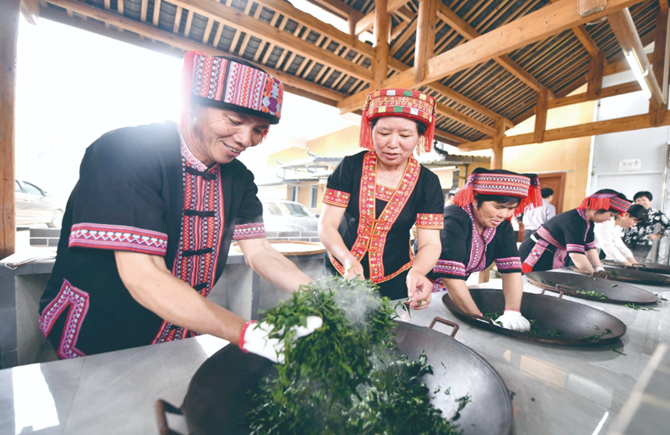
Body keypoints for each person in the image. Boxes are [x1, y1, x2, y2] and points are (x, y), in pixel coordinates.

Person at [38, 52, 322, 361]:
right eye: (235, 120)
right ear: (194, 106)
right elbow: (143, 274)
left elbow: (260, 251)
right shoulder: (126, 151)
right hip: (98, 331)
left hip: (175, 332)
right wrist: (245, 333)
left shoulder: (239, 177)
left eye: (258, 129)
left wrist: (317, 293)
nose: (244, 139)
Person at [319, 89, 443, 308]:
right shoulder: (350, 167)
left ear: (419, 136)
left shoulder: (428, 183)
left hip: (396, 279)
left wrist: (419, 271)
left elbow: (430, 243)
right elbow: (327, 225)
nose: (393, 143)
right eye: (384, 133)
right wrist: (347, 260)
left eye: (405, 135)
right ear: (371, 130)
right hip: (340, 269)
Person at [429, 168, 542, 332]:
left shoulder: (502, 226)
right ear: (475, 199)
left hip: (452, 292)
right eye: (498, 207)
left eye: (511, 209)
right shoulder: (453, 219)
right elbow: (451, 277)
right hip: (418, 289)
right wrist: (479, 319)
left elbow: (511, 271)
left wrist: (512, 311)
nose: (503, 214)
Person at [519, 189, 631, 273]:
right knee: (533, 283)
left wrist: (599, 268)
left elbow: (590, 249)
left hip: (549, 251)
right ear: (598, 208)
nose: (609, 219)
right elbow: (576, 255)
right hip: (536, 251)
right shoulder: (575, 221)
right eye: (611, 215)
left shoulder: (588, 222)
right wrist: (594, 276)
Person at [622, 191, 670, 262]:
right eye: (638, 200)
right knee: (623, 261)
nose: (641, 202)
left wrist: (658, 235)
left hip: (643, 244)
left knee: (636, 263)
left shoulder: (655, 213)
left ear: (650, 201)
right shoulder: (630, 211)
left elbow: (668, 226)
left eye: (644, 200)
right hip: (625, 241)